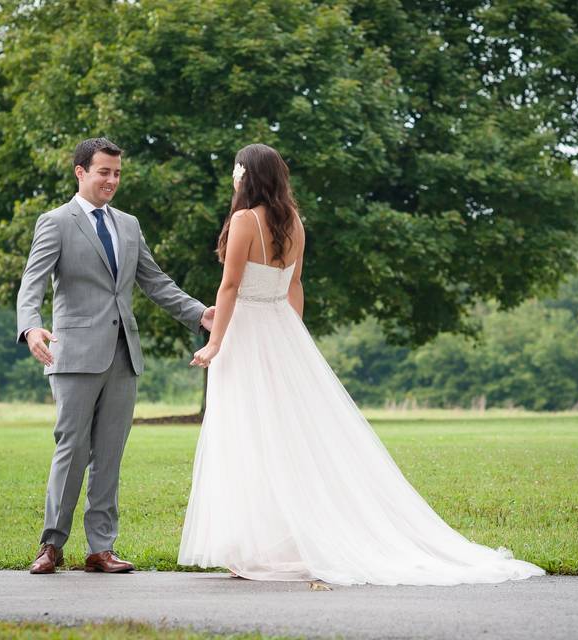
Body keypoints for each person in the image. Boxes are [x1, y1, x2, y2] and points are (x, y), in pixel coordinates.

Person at [178, 143, 545, 586]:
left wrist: (215, 343)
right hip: (281, 330)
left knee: (246, 433)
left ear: (247, 176)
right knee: (286, 438)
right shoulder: (294, 222)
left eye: (237, 171)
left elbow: (230, 286)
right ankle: (273, 540)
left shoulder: (243, 220)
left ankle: (253, 545)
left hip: (249, 334)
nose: (233, 178)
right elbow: (295, 286)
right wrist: (293, 338)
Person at [17, 137, 215, 574]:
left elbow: (155, 281)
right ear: (81, 172)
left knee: (109, 454)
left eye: (117, 173)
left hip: (124, 357)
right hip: (73, 357)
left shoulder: (129, 225)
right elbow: (32, 281)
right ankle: (51, 545)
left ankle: (100, 549)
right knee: (71, 448)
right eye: (104, 171)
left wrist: (202, 314)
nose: (112, 180)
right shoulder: (56, 222)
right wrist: (30, 326)